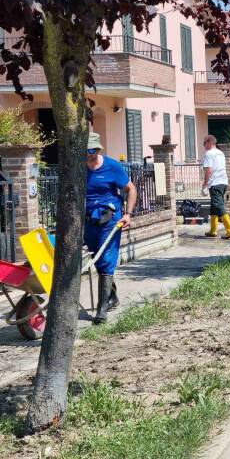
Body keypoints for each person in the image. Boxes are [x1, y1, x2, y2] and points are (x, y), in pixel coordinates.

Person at [84, 131, 137, 324]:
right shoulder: (79, 168)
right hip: (89, 220)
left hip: (110, 219)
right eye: (86, 150)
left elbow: (131, 188)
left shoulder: (112, 167)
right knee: (96, 260)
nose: (89, 154)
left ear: (98, 149)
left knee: (106, 259)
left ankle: (101, 312)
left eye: (92, 150)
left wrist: (128, 214)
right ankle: (112, 295)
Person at [201, 135, 230, 239]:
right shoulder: (220, 153)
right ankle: (213, 231)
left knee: (218, 206)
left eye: (204, 142)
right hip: (223, 182)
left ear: (210, 142)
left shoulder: (209, 154)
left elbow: (209, 170)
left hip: (215, 183)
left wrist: (204, 185)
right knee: (214, 207)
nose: (204, 145)